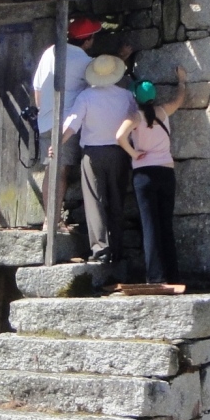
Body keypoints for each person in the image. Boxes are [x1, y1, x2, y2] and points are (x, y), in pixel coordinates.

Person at [61, 54, 137, 264]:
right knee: (117, 201)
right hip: (120, 152)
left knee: (94, 201)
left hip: (93, 154)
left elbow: (72, 124)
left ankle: (100, 250)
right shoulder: (127, 96)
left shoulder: (86, 96)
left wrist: (57, 143)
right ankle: (118, 250)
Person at [115, 65, 187, 284]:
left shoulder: (135, 117)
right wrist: (181, 81)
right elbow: (179, 99)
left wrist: (134, 154)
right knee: (166, 225)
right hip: (166, 172)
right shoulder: (164, 111)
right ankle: (173, 275)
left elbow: (119, 136)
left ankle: (155, 277)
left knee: (150, 226)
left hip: (144, 174)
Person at [32, 15, 102, 231]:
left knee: (51, 168)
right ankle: (52, 221)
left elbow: (37, 90)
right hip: (65, 124)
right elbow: (99, 84)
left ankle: (50, 218)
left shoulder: (50, 52)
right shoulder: (85, 62)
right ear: (87, 40)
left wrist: (44, 112)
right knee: (59, 171)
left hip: (45, 120)